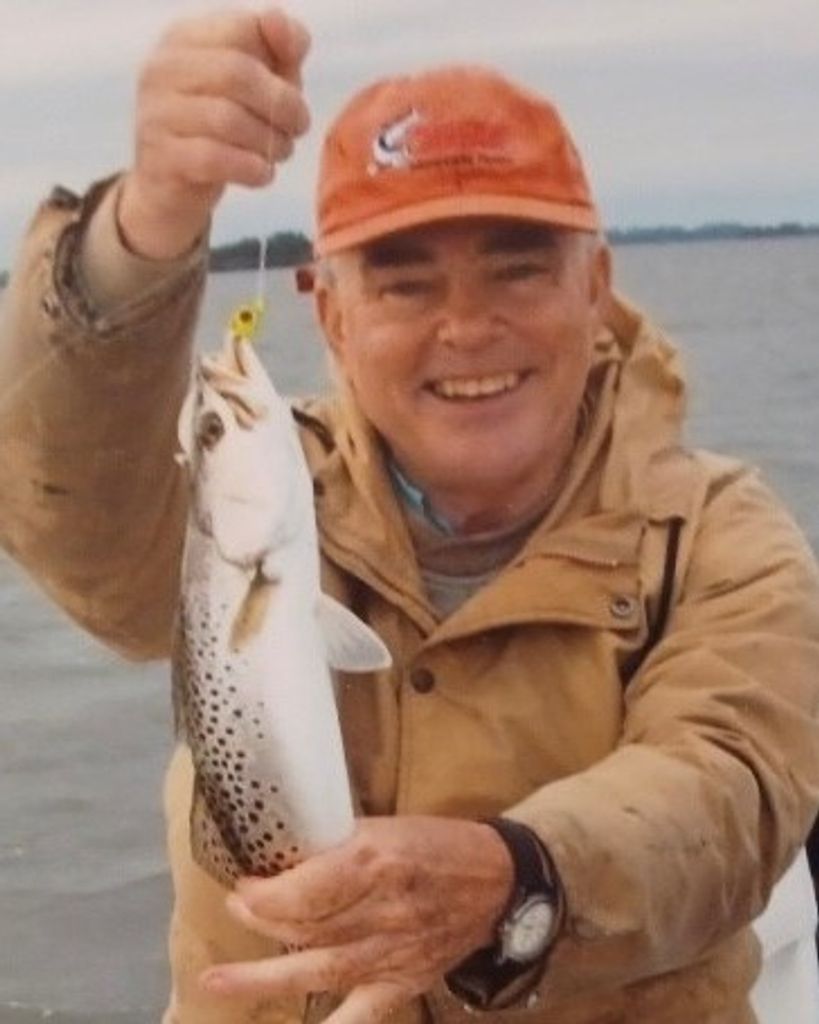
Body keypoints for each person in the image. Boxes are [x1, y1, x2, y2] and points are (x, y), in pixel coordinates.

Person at [1, 8, 818, 1024]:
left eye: (518, 269)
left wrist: (519, 879)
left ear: (596, 287)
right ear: (329, 313)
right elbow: (78, 527)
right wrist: (146, 226)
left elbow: (735, 787)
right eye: (404, 284)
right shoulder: (251, 493)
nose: (466, 327)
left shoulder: (720, 533)